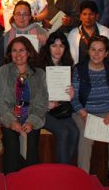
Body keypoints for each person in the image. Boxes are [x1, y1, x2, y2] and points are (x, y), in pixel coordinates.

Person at [0, 36, 48, 174]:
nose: (18, 55)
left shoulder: (39, 74)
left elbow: (42, 102)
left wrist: (31, 122)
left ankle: (30, 182)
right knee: (11, 146)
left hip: (31, 117)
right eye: (14, 51)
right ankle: (10, 182)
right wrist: (11, 122)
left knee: (31, 149)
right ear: (10, 54)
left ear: (29, 52)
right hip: (9, 117)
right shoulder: (3, 72)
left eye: (22, 50)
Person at [70, 36, 109, 182]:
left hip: (108, 111)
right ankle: (83, 177)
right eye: (93, 49)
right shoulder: (79, 69)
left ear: (106, 53)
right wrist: (85, 115)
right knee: (86, 135)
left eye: (101, 50)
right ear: (88, 51)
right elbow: (73, 97)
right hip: (83, 111)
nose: (96, 54)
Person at [36, 31, 79, 165]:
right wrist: (45, 104)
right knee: (64, 132)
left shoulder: (68, 67)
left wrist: (72, 93)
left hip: (61, 110)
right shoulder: (38, 66)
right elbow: (32, 92)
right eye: (54, 45)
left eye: (61, 46)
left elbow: (71, 91)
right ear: (48, 47)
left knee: (75, 132)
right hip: (42, 111)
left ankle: (64, 167)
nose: (58, 49)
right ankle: (62, 173)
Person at [67, 0, 109, 65]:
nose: (87, 17)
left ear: (97, 16)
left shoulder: (106, 32)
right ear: (80, 16)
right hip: (79, 72)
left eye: (91, 14)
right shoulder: (73, 34)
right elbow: (69, 58)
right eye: (84, 14)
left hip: (101, 72)